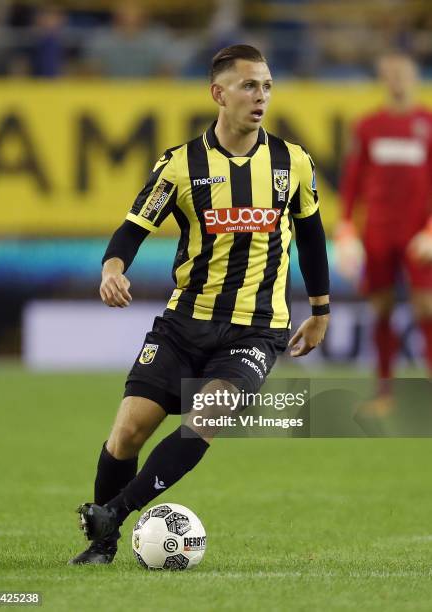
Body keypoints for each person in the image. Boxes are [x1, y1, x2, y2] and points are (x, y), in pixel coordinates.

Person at [69, 44, 330, 565]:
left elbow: (312, 235)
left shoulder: (292, 162)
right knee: (127, 433)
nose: (262, 97)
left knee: (205, 418)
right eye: (250, 86)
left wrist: (320, 310)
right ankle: (101, 547)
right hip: (183, 324)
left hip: (256, 331)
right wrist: (112, 268)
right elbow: (132, 228)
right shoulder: (180, 165)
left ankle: (111, 516)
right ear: (219, 93)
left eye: (268, 86)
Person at [336, 52, 432, 411]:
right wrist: (346, 229)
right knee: (381, 309)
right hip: (377, 230)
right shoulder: (367, 126)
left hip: (416, 234)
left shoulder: (428, 123)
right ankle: (384, 392)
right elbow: (352, 183)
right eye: (388, 74)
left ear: (415, 76)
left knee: (426, 307)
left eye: (401, 73)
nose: (395, 80)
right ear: (381, 79)